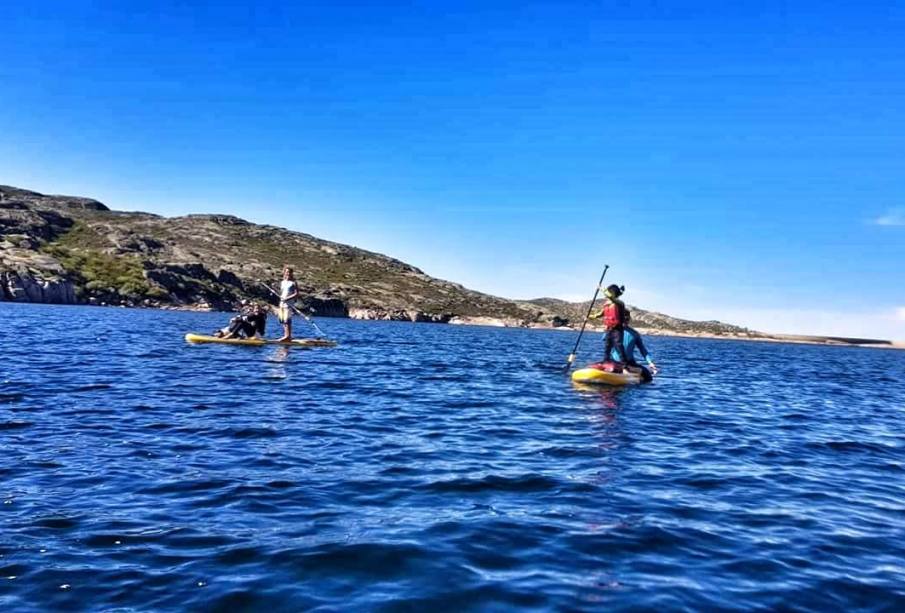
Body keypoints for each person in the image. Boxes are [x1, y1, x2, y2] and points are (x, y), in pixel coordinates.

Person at [612, 310, 658, 382]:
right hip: (615, 362)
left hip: (630, 363)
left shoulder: (634, 334)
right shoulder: (613, 331)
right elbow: (605, 341)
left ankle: (644, 374)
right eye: (623, 319)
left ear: (629, 319)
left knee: (648, 377)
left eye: (627, 319)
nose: (625, 321)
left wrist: (650, 362)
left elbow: (642, 349)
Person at [590, 284, 629, 366]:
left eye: (609, 292)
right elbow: (600, 314)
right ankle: (606, 361)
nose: (606, 295)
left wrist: (601, 288)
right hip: (609, 329)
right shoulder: (607, 304)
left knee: (618, 346)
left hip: (617, 329)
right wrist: (590, 316)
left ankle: (625, 364)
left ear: (613, 293)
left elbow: (611, 297)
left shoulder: (619, 303)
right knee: (607, 346)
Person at [277, 266, 300, 342]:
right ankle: (285, 335)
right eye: (287, 272)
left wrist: (288, 298)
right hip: (282, 303)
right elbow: (282, 293)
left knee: (287, 320)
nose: (288, 273)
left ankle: (288, 336)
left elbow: (296, 294)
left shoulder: (293, 282)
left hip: (288, 303)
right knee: (282, 320)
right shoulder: (282, 282)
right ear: (284, 272)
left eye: (289, 272)